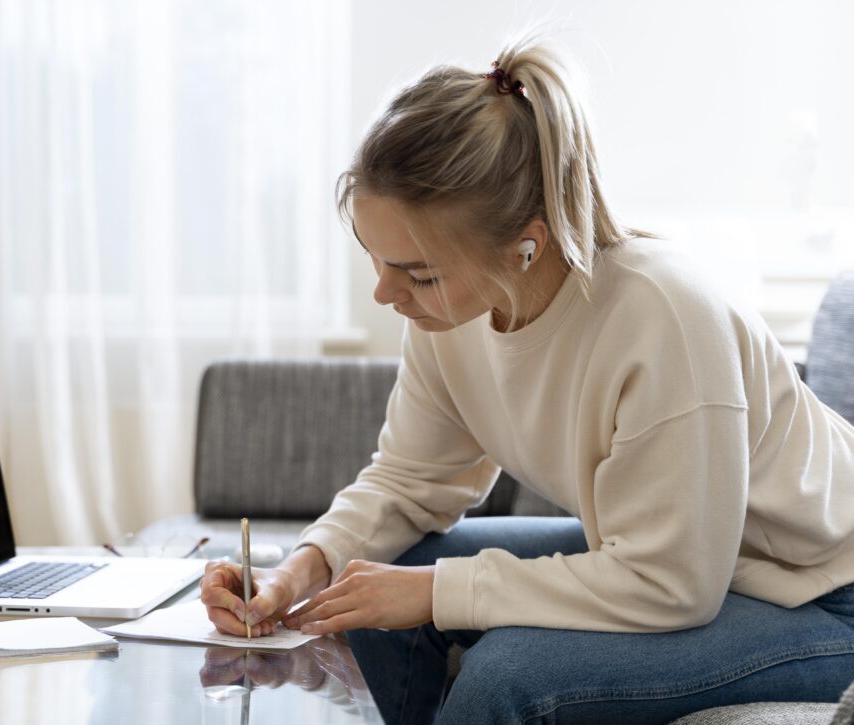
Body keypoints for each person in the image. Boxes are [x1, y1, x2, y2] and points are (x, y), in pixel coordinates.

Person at [200, 32, 854, 724]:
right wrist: (300, 569)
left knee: (505, 678)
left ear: (526, 245)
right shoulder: (448, 314)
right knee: (370, 588)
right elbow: (406, 483)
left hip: (821, 598)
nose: (385, 295)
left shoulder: (665, 318)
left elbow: (673, 585)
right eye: (376, 258)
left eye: (418, 272)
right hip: (698, 571)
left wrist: (435, 592)